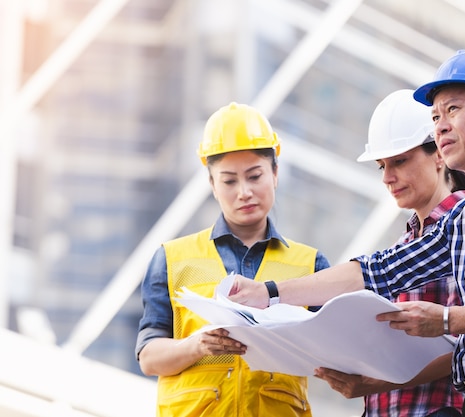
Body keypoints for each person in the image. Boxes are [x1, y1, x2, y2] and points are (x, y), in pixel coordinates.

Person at [229, 50, 465, 417]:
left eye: (453, 110)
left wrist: (445, 320)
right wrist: (268, 294)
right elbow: (379, 271)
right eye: (435, 116)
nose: (441, 125)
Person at [135, 102, 330, 417]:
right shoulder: (172, 259)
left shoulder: (311, 265)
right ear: (212, 185)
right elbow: (149, 357)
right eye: (229, 181)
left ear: (275, 174)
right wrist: (197, 346)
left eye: (255, 176)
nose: (244, 192)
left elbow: (333, 351)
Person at [315, 89, 465, 417]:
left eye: (399, 161)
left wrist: (378, 383)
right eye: (382, 165)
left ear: (439, 154)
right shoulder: (403, 245)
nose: (387, 177)